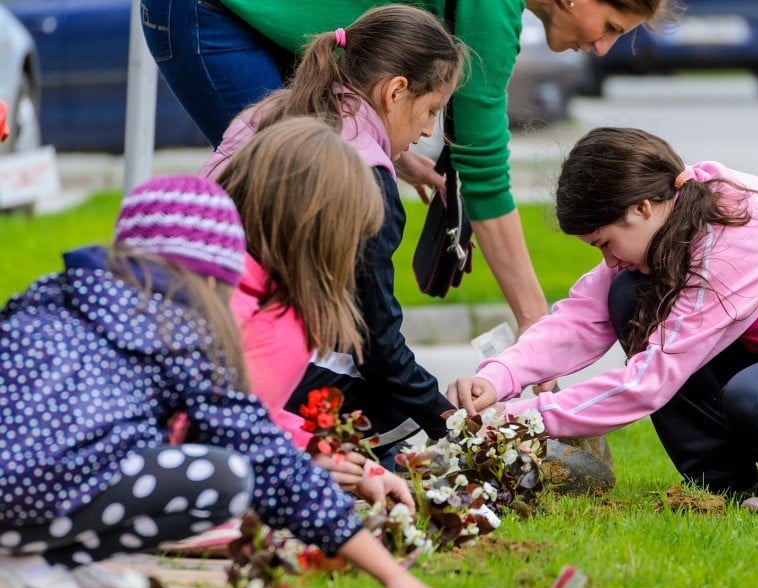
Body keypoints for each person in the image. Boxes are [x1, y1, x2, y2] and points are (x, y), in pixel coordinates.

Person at [0, 165, 475, 588]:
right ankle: (38, 563)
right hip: (34, 497)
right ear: (209, 281)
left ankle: (33, 560)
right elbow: (265, 457)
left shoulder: (46, 298)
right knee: (224, 476)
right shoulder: (180, 332)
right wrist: (393, 577)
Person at [447, 127, 758, 514]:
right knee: (628, 294)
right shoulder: (672, 211)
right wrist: (498, 379)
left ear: (641, 208)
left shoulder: (735, 243)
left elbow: (649, 382)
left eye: (605, 243)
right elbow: (580, 317)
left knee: (756, 398)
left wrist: (518, 421)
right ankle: (731, 487)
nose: (609, 259)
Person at [140, 0, 677, 340]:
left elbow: (362, 87)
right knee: (285, 213)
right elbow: (482, 171)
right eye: (609, 25)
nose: (604, 47)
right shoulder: (492, 11)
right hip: (211, 13)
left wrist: (386, 145)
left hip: (254, 25)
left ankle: (325, 416)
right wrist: (537, 322)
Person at [201, 5, 465, 466]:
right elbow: (375, 345)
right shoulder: (364, 183)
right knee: (387, 398)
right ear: (395, 91)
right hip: (240, 367)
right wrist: (452, 423)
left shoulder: (268, 113)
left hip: (189, 337)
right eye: (431, 111)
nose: (427, 131)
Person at [215, 113, 419, 503]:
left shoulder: (220, 273)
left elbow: (253, 416)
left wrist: (335, 458)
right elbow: (232, 436)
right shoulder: (277, 323)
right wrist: (312, 469)